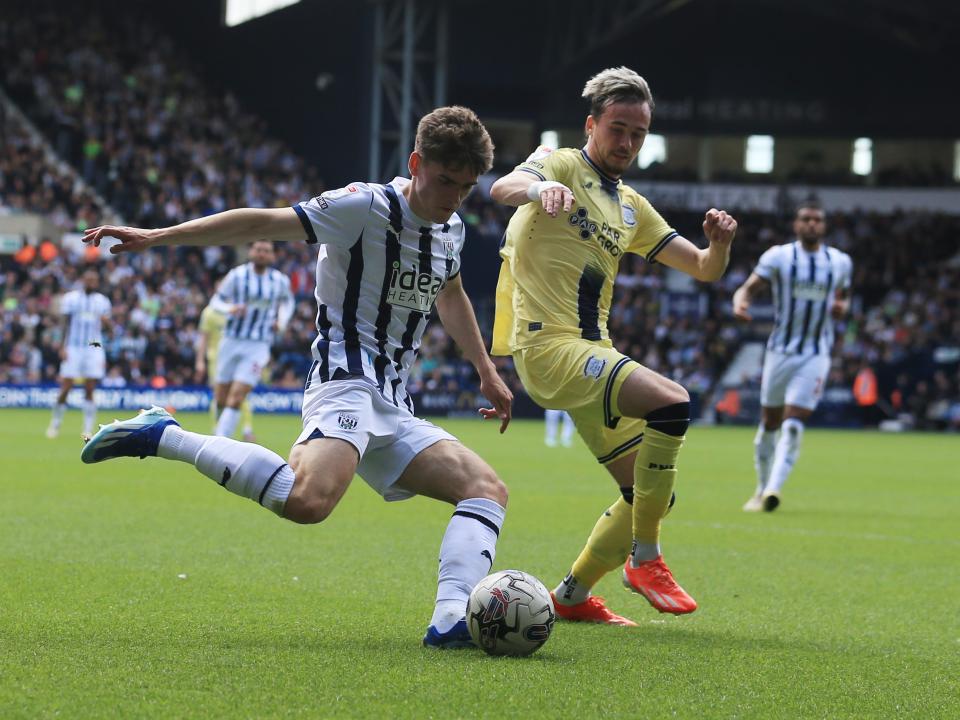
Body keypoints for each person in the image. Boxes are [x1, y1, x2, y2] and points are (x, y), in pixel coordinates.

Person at [80, 106, 513, 648]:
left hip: (395, 400)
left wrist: (485, 370)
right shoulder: (362, 206)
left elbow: (450, 294)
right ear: (416, 162)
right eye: (445, 181)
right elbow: (262, 221)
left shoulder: (451, 229)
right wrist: (159, 236)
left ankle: (450, 620)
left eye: (466, 188)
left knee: (486, 490)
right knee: (309, 502)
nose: (453, 197)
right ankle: (164, 434)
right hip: (344, 380)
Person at [490, 67, 737, 624]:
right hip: (550, 348)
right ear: (591, 125)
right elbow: (501, 187)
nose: (626, 143)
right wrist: (537, 188)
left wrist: (718, 246)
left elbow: (702, 269)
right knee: (672, 400)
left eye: (638, 134)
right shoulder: (558, 163)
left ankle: (571, 596)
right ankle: (644, 559)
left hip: (590, 352)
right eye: (617, 128)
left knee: (647, 495)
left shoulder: (631, 205)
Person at [733, 201, 852, 512]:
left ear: (824, 226)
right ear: (797, 225)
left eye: (817, 220)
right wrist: (740, 302)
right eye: (806, 219)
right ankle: (760, 488)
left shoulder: (839, 262)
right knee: (769, 424)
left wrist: (842, 309)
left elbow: (845, 297)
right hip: (779, 352)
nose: (812, 224)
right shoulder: (780, 257)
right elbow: (748, 288)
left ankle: (773, 489)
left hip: (816, 354)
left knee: (794, 423)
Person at [206, 240, 294, 438]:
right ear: (251, 252)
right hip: (231, 340)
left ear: (272, 256)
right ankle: (219, 432)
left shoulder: (280, 281)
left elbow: (288, 302)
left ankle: (220, 441)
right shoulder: (237, 276)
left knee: (237, 396)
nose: (262, 254)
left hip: (259, 345)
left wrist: (282, 321)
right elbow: (216, 301)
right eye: (258, 249)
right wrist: (230, 308)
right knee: (221, 397)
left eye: (266, 251)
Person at [46, 268, 112, 438]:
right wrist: (62, 346)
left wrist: (107, 324)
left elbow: (110, 331)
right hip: (73, 347)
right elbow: (64, 324)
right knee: (66, 386)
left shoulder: (102, 301)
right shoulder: (72, 299)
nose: (91, 282)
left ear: (97, 282)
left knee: (90, 388)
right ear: (83, 280)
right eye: (88, 279)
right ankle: (55, 423)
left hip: (94, 348)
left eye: (94, 280)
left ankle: (88, 428)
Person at [195, 303, 257, 440]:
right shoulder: (209, 312)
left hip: (237, 358)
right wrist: (200, 361)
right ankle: (217, 429)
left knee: (241, 392)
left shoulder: (240, 309)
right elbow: (204, 338)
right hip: (216, 360)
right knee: (218, 396)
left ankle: (247, 430)